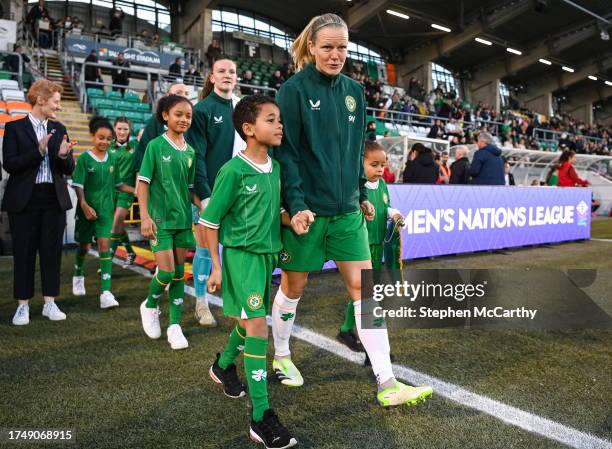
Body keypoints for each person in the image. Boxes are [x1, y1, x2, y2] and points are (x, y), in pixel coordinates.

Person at [272, 13, 432, 406]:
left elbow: (358, 149)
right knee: (294, 287)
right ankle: (281, 356)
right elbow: (287, 154)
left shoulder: (354, 92)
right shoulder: (292, 90)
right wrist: (294, 205)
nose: (336, 54)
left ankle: (387, 381)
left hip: (346, 213)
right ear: (311, 46)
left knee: (365, 289)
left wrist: (360, 191)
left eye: (342, 47)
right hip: (307, 213)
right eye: (327, 46)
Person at [202, 94, 297, 449]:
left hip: (267, 258)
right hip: (241, 258)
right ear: (248, 129)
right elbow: (209, 222)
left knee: (247, 322)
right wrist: (214, 265)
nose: (279, 125)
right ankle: (261, 416)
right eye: (271, 120)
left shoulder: (275, 168)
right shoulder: (233, 171)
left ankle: (224, 366)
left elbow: (276, 213)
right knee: (258, 326)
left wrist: (294, 219)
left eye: (279, 120)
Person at [2, 80, 76, 326]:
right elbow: (10, 164)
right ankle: (22, 305)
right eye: (56, 101)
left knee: (51, 253)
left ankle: (50, 303)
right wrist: (39, 151)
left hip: (53, 199)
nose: (59, 106)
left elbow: (68, 168)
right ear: (41, 100)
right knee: (24, 253)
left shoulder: (60, 127)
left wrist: (64, 155)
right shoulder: (14, 128)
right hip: (24, 200)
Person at [186, 59, 245, 327]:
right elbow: (196, 156)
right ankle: (201, 303)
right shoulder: (202, 110)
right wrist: (204, 194)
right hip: (209, 192)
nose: (227, 75)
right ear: (211, 77)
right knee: (204, 247)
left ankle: (239, 300)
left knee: (237, 246)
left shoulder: (242, 108)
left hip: (241, 191)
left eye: (231, 71)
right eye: (221, 71)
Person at [137, 95, 197, 350]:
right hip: (159, 220)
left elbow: (190, 189)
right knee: (167, 272)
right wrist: (145, 216)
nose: (184, 119)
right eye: (178, 114)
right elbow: (143, 183)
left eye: (188, 116)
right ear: (165, 116)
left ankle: (175, 326)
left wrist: (204, 210)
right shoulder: (155, 146)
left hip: (183, 219)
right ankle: (150, 304)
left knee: (179, 275)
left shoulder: (191, 151)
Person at [337, 141, 403, 351]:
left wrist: (394, 214)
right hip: (360, 246)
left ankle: (347, 329)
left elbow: (386, 205)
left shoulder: (382, 185)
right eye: (374, 164)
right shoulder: (357, 187)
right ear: (360, 163)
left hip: (377, 245)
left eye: (382, 165)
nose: (380, 169)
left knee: (366, 291)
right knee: (367, 292)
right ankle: (372, 347)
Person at [71, 117, 134, 306]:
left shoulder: (113, 159)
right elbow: (78, 185)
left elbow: (119, 184)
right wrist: (83, 204)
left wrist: (137, 191)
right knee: (84, 246)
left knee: (105, 246)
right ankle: (78, 274)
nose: (104, 142)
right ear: (93, 137)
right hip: (86, 211)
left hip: (106, 212)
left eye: (108, 139)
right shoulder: (84, 158)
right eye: (101, 138)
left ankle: (106, 293)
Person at [133, 83, 189, 175]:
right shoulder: (156, 120)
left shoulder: (192, 122)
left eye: (186, 93)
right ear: (168, 96)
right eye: (179, 92)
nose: (184, 96)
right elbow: (143, 152)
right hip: (157, 181)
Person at [108, 117, 137, 265]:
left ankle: (107, 262)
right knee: (118, 225)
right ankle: (131, 252)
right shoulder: (108, 146)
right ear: (114, 129)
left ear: (129, 130)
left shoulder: (135, 146)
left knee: (116, 223)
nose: (122, 132)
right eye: (119, 128)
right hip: (110, 192)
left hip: (127, 191)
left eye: (125, 129)